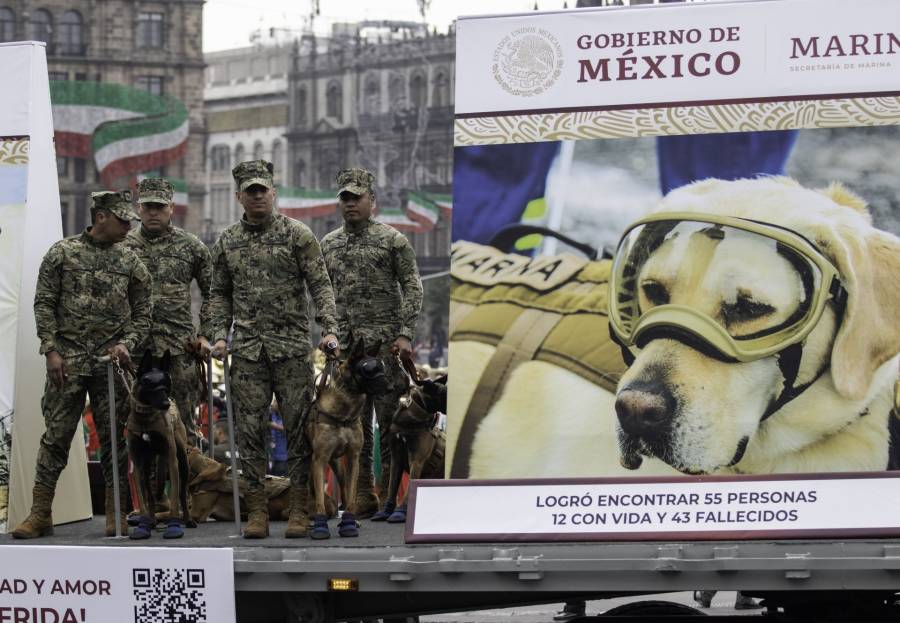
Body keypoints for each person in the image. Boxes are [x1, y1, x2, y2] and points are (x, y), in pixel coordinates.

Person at [207, 159, 339, 539]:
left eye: (262, 189)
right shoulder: (227, 241)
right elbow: (218, 294)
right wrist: (218, 333)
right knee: (249, 432)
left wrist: (328, 329)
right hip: (247, 351)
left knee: (299, 431)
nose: (257, 196)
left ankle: (299, 507)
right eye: (250, 191)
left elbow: (321, 286)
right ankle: (257, 510)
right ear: (239, 197)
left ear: (273, 192)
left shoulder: (297, 235)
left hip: (292, 351)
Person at [12, 190, 151, 539]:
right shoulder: (62, 253)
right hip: (68, 361)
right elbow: (44, 303)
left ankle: (117, 513)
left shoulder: (131, 261)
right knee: (56, 437)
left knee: (114, 440)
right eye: (122, 219)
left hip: (110, 364)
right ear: (100, 216)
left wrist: (126, 344)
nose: (128, 226)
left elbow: (144, 314)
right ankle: (40, 513)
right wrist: (50, 350)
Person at [320, 168, 423, 518]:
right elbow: (324, 294)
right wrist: (327, 331)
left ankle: (396, 497)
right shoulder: (329, 244)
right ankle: (362, 498)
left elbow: (412, 285)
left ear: (372, 201)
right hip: (348, 357)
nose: (350, 204)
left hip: (385, 351)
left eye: (357, 197)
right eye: (345, 198)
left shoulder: (392, 240)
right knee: (352, 429)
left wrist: (406, 332)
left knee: (393, 426)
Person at [125, 178, 212, 447]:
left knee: (183, 425)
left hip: (179, 349)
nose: (153, 212)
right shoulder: (122, 246)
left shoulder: (192, 246)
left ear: (172, 208)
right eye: (148, 206)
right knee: (130, 423)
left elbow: (214, 293)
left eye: (160, 207)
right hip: (134, 350)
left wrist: (206, 335)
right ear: (139, 208)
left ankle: (187, 485)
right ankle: (137, 488)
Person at [268, 401, 288, 477]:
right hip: (271, 456)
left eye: (276, 401)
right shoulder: (271, 415)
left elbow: (287, 429)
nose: (273, 404)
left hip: (282, 457)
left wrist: (274, 425)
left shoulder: (286, 415)